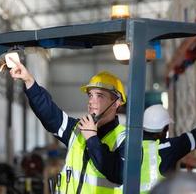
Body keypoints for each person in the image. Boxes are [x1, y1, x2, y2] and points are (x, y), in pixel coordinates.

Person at [9, 62, 126, 194]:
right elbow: (50, 115)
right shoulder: (77, 129)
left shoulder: (124, 139)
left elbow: (119, 174)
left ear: (116, 102)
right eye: (90, 95)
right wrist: (29, 81)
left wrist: (92, 139)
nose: (91, 101)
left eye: (99, 96)